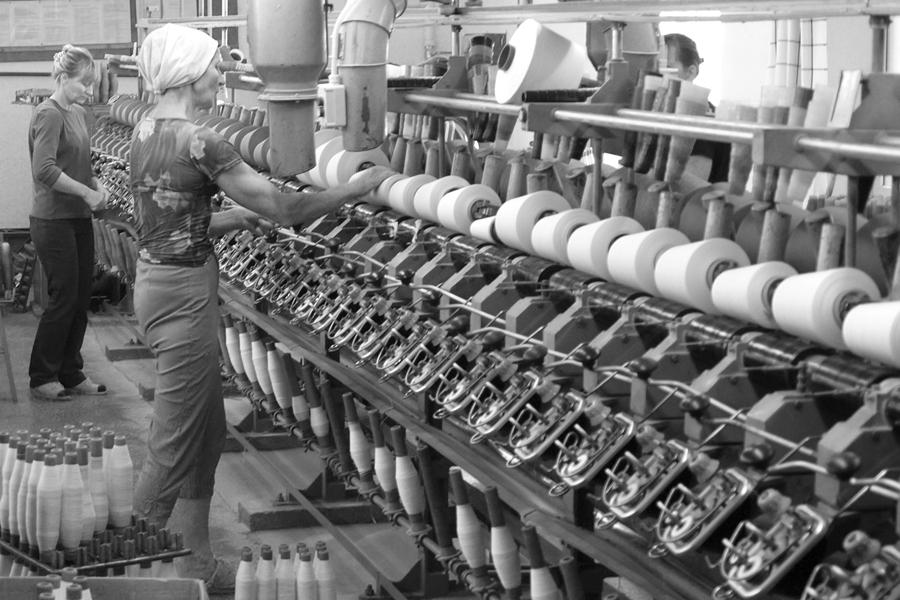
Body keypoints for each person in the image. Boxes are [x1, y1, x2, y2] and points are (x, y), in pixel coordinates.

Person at [129, 23, 392, 589]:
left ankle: (196, 564)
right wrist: (357, 187)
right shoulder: (202, 141)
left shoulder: (147, 129)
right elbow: (285, 209)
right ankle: (126, 568)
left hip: (158, 282)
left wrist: (233, 216)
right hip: (182, 296)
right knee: (174, 441)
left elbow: (172, 223)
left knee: (204, 435)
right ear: (189, 73)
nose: (221, 74)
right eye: (214, 65)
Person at [28, 44, 111, 400]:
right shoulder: (49, 114)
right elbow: (44, 169)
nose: (89, 91)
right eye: (83, 83)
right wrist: (87, 194)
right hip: (53, 220)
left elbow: (79, 163)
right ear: (63, 78)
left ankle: (70, 372)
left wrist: (96, 185)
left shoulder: (77, 113)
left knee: (80, 298)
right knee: (63, 298)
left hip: (77, 217)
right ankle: (42, 375)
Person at [663, 33, 730, 184]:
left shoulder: (700, 115)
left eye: (668, 68)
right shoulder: (669, 110)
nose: (661, 75)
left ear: (691, 71)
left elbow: (692, 182)